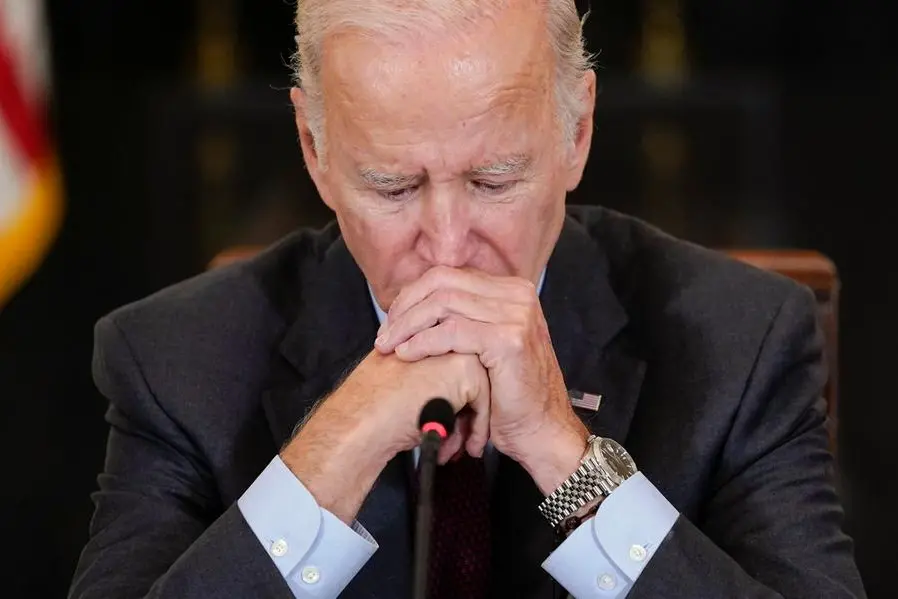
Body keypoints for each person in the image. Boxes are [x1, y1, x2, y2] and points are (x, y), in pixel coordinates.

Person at [69, 1, 866, 597]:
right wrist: (334, 449)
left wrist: (564, 453)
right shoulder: (175, 362)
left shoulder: (741, 341)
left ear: (577, 132)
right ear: (314, 149)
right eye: (393, 186)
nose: (447, 247)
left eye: (493, 181)